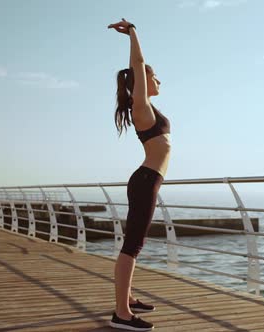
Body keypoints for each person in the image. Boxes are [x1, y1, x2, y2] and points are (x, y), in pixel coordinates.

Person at [108, 18, 171, 331]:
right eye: (153, 77)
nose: (158, 80)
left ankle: (127, 298)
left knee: (134, 243)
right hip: (146, 181)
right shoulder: (141, 105)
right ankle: (122, 314)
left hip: (148, 181)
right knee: (132, 246)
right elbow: (139, 62)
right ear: (141, 83)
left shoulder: (147, 109)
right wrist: (133, 32)